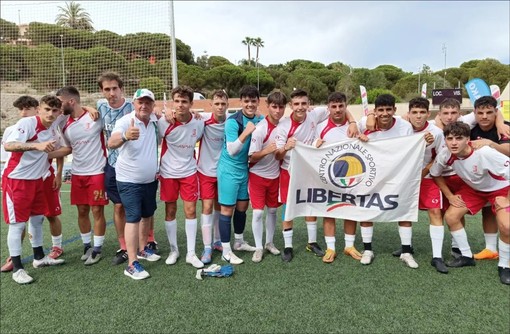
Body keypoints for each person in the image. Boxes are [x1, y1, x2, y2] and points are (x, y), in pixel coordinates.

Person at [274, 89, 359, 262]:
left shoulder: (314, 114)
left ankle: (312, 242)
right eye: (296, 104)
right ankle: (288, 246)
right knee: (288, 208)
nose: (300, 107)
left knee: (311, 205)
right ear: (291, 105)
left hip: (309, 169)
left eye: (303, 103)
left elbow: (338, 108)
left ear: (309, 104)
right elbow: (277, 155)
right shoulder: (283, 126)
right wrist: (286, 148)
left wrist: (353, 121)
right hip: (289, 170)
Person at [430, 122, 510, 285]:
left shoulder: (485, 152)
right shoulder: (445, 154)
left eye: (459, 138)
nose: (453, 142)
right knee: (451, 216)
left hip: (501, 189)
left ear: (468, 139)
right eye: (449, 138)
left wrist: (507, 199)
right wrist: (450, 195)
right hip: (474, 190)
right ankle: (466, 256)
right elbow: (435, 174)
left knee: (507, 226)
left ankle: (504, 266)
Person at [357, 94, 431, 268]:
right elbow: (351, 135)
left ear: (395, 110)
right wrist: (359, 136)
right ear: (375, 111)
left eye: (388, 109)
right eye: (380, 110)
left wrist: (424, 143)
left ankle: (406, 251)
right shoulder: (364, 123)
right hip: (372, 176)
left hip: (398, 175)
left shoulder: (405, 126)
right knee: (367, 210)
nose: (384, 113)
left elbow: (410, 148)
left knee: (403, 209)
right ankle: (367, 249)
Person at [2, 95, 65, 284]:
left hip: (37, 180)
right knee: (18, 224)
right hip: (17, 180)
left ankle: (39, 258)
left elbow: (62, 148)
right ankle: (18, 268)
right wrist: (37, 146)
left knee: (37, 220)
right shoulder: (27, 123)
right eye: (47, 109)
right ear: (39, 109)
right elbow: (9, 145)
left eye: (54, 111)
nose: (50, 114)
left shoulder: (54, 126)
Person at [108, 88, 161, 280]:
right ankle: (131, 264)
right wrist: (125, 136)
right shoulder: (125, 121)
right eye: (140, 102)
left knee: (147, 215)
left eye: (148, 102)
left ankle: (142, 249)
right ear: (134, 104)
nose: (144, 106)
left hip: (149, 180)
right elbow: (111, 142)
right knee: (133, 218)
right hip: (129, 180)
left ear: (153, 105)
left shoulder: (155, 121)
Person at [56, 86, 108, 265]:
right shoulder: (64, 123)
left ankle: (98, 248)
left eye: (60, 102)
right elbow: (69, 147)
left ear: (71, 101)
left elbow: (106, 106)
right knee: (82, 211)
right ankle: (87, 246)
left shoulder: (96, 117)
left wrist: (88, 108)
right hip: (77, 173)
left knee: (96, 210)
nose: (58, 106)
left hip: (97, 172)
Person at [312, 92, 364, 263]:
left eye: (341, 106)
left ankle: (349, 246)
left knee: (351, 210)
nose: (337, 110)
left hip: (351, 176)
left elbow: (365, 146)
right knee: (329, 211)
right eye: (333, 106)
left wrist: (363, 138)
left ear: (346, 106)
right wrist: (314, 146)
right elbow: (312, 151)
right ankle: (331, 248)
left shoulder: (354, 127)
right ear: (328, 108)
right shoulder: (320, 127)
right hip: (329, 177)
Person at [158, 86, 204, 269]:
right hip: (168, 173)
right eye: (177, 101)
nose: (180, 105)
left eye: (184, 101)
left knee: (191, 211)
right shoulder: (163, 122)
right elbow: (145, 115)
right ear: (172, 102)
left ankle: (191, 253)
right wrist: (163, 111)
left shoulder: (199, 122)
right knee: (170, 211)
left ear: (191, 104)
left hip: (189, 172)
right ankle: (173, 250)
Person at [216, 85, 263, 265]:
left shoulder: (260, 119)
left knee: (242, 207)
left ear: (258, 102)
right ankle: (226, 251)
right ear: (241, 102)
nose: (250, 104)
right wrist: (246, 132)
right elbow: (232, 150)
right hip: (229, 170)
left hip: (245, 170)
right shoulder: (233, 121)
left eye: (253, 101)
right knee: (227, 210)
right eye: (246, 101)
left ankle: (239, 241)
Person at [404, 97, 447, 273]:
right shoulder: (402, 129)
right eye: (414, 112)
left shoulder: (436, 132)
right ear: (408, 114)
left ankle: (437, 256)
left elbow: (441, 157)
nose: (418, 116)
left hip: (428, 177)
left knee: (435, 211)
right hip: (405, 178)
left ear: (428, 114)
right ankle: (406, 247)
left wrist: (424, 171)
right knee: (405, 213)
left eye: (422, 112)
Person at [97, 72, 134, 265]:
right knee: (119, 206)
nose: (112, 93)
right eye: (107, 89)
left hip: (133, 164)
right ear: (102, 92)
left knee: (142, 207)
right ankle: (124, 246)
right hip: (112, 165)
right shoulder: (99, 107)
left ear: (121, 89)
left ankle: (149, 241)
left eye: (114, 88)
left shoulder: (133, 106)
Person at [247, 91, 287, 263]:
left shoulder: (284, 126)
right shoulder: (260, 129)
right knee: (257, 213)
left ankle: (269, 242)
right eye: (274, 106)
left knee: (272, 211)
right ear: (267, 106)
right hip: (257, 176)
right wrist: (266, 151)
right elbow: (251, 157)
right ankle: (258, 247)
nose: (277, 110)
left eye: (281, 107)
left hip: (275, 176)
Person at [469, 96, 510, 261]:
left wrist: (489, 143)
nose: (484, 116)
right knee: (487, 212)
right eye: (480, 113)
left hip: (505, 181)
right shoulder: (471, 128)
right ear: (475, 113)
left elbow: (508, 151)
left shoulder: (504, 127)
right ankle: (491, 249)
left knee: (506, 221)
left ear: (496, 112)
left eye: (489, 112)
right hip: (485, 181)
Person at [197, 90, 229, 264]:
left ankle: (217, 240)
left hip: (224, 171)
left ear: (227, 105)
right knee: (207, 206)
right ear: (211, 105)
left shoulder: (231, 121)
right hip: (206, 171)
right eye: (217, 103)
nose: (220, 107)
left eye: (223, 104)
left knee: (220, 206)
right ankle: (207, 247)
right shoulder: (203, 121)